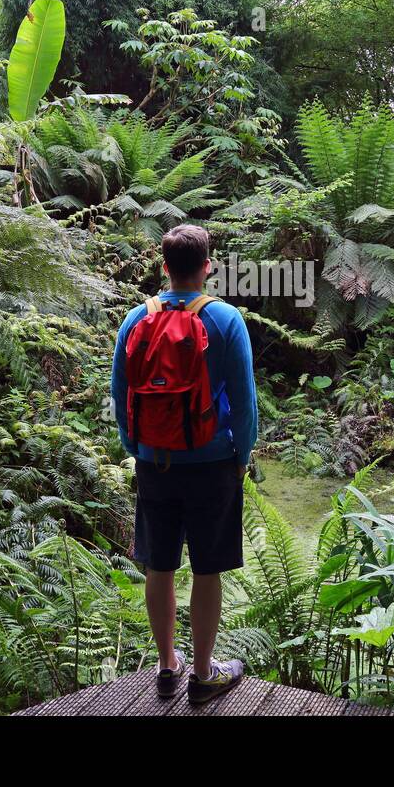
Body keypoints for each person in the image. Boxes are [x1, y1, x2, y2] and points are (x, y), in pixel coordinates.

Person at [111, 223, 258, 704]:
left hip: (156, 462)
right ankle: (202, 674)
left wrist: (138, 449)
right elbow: (245, 400)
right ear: (208, 266)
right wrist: (242, 456)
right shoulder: (225, 320)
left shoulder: (136, 319)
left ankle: (165, 666)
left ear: (164, 265)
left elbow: (119, 394)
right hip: (214, 464)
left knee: (160, 564)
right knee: (207, 569)